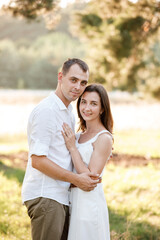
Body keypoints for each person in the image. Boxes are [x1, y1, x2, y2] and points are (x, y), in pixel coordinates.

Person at [21, 58, 101, 240]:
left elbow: (64, 152)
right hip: (46, 196)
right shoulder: (47, 111)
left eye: (83, 83)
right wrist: (77, 179)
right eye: (73, 80)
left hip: (60, 197)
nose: (78, 87)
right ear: (60, 77)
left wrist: (95, 146)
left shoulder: (68, 113)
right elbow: (38, 160)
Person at [62, 83, 114, 240]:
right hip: (71, 202)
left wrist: (72, 148)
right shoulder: (77, 136)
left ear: (102, 108)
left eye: (93, 103)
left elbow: (89, 179)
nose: (86, 108)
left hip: (89, 205)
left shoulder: (104, 138)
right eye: (83, 102)